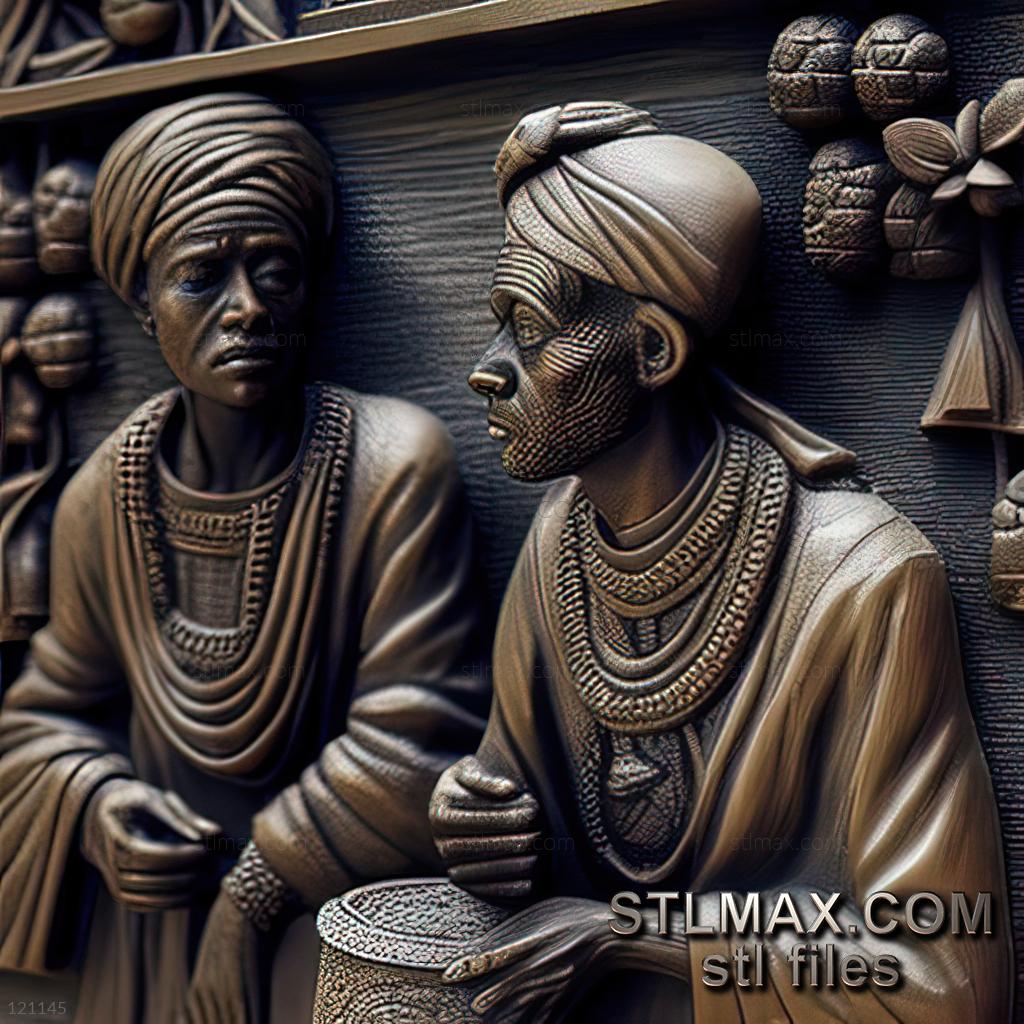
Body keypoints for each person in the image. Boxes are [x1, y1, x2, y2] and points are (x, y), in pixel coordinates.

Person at [429, 101, 1012, 1022]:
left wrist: (634, 937)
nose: (488, 369)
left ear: (652, 349)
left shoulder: (863, 580)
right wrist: (482, 822)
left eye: (530, 327)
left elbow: (947, 979)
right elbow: (517, 804)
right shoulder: (558, 543)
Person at [0, 93, 487, 1024]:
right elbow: (46, 714)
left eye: (276, 273)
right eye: (201, 278)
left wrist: (254, 896)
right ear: (141, 302)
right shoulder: (103, 497)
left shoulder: (391, 465)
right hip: (155, 933)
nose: (250, 310)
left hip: (327, 919)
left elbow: (421, 734)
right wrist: (98, 806)